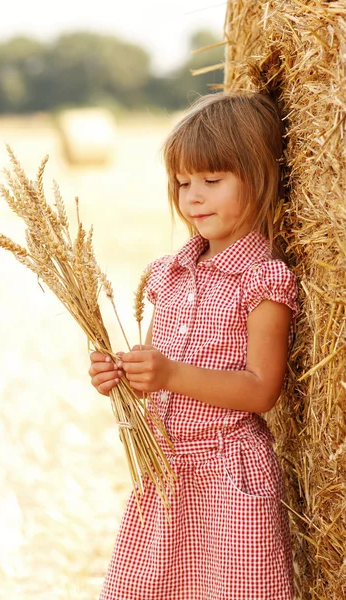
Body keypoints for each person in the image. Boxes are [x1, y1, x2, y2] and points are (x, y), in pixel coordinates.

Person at [89, 91, 299, 600]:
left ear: (260, 177)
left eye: (212, 180)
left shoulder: (263, 280)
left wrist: (168, 374)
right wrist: (122, 376)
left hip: (229, 475)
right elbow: (156, 374)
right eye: (183, 184)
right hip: (165, 470)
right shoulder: (168, 274)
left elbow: (260, 389)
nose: (193, 198)